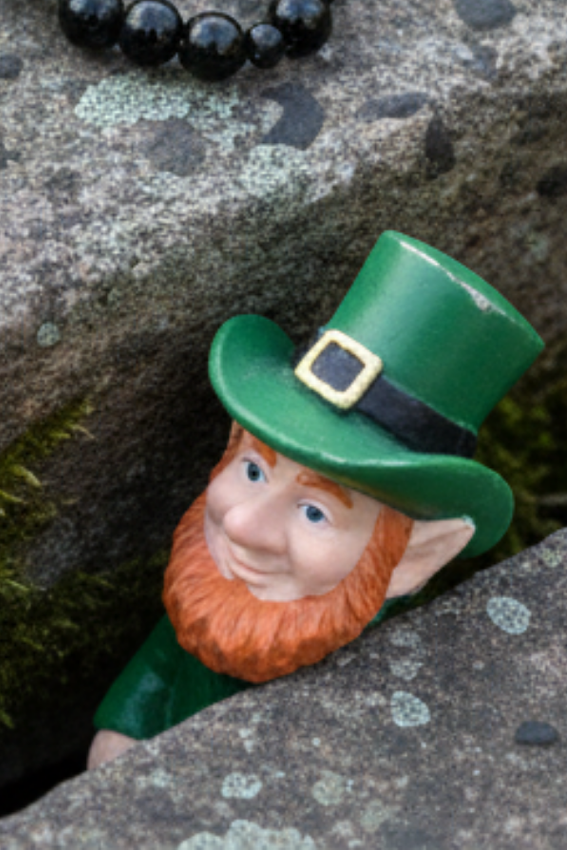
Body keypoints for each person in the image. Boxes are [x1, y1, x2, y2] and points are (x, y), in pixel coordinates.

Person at [90, 231, 542, 768]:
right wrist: (124, 734)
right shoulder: (212, 588)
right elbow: (159, 670)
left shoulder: (391, 664)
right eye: (253, 470)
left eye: (314, 512)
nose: (241, 525)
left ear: (410, 560)